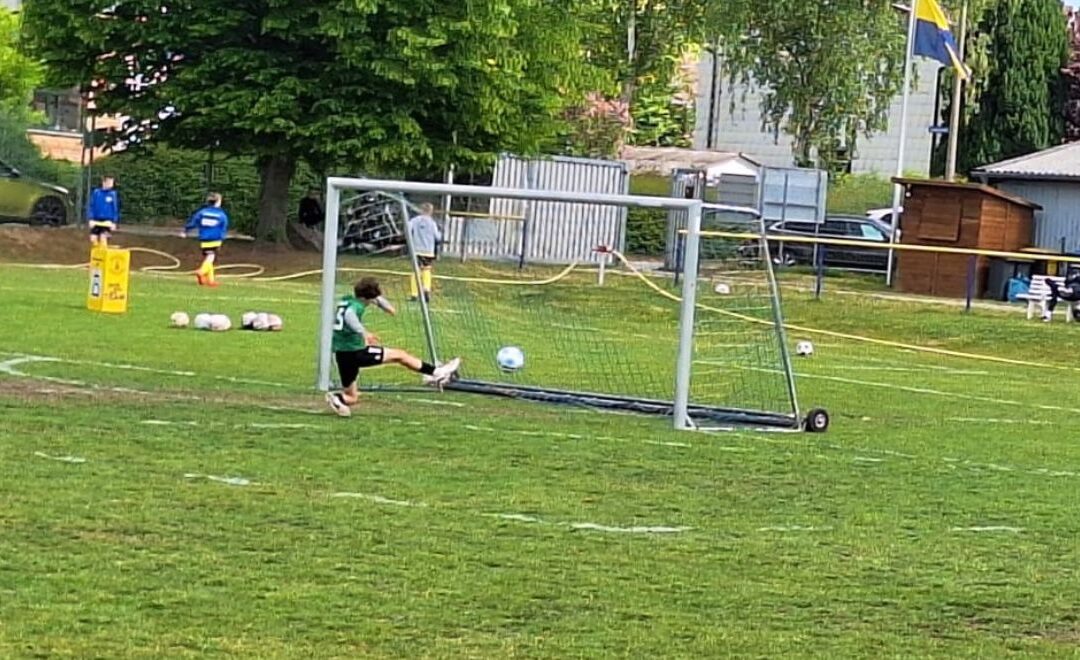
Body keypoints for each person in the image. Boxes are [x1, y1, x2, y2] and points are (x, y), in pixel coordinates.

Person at [326, 277, 461, 417]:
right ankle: (437, 373)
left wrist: (387, 307)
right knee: (400, 355)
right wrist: (364, 333)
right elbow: (349, 316)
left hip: (342, 354)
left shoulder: (348, 300)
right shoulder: (357, 307)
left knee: (352, 397)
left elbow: (376, 301)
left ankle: (337, 398)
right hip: (355, 352)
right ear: (369, 297)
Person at [180, 193, 229, 287]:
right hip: (215, 239)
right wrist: (222, 237)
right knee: (211, 257)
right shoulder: (221, 215)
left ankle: (211, 281)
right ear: (218, 202)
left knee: (209, 258)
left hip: (204, 239)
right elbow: (224, 227)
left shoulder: (202, 212)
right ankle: (201, 271)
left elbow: (193, 223)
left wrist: (185, 231)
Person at [407, 203, 442, 301]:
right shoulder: (432, 223)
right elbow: (437, 237)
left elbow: (408, 229)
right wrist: (440, 233)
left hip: (417, 250)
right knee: (426, 270)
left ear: (421, 210)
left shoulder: (415, 220)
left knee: (416, 271)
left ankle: (414, 294)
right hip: (428, 251)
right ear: (431, 211)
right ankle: (426, 289)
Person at [87, 176, 120, 246]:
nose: (111, 184)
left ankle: (103, 251)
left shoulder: (113, 194)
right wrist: (91, 219)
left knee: (103, 238)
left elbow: (115, 208)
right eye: (109, 182)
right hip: (96, 219)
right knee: (93, 239)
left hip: (107, 220)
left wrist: (114, 222)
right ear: (104, 182)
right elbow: (92, 206)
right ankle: (97, 251)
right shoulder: (96, 192)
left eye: (112, 182)